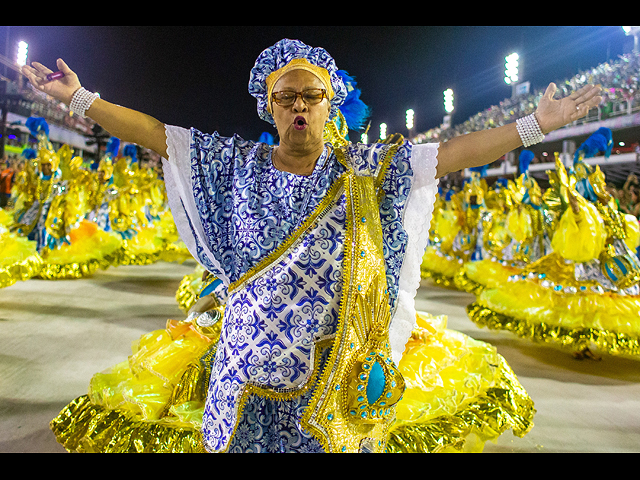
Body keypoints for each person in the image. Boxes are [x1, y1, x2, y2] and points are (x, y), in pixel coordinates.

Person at [23, 38, 601, 453]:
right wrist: (80, 101)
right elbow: (155, 133)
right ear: (268, 106)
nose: (299, 105)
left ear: (332, 104)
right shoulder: (232, 166)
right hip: (245, 375)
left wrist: (535, 126)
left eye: (312, 95)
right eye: (286, 96)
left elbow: (451, 155)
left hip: (331, 380)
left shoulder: (366, 171)